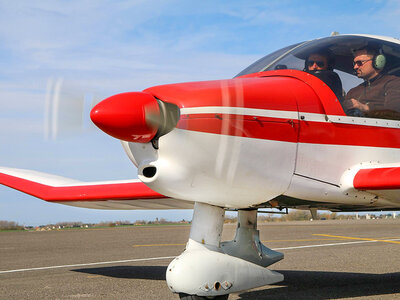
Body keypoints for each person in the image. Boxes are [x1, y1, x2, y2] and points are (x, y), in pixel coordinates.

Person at [343, 47, 400, 117]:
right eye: (354, 63)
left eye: (359, 63)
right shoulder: (353, 92)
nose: (355, 67)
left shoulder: (393, 83)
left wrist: (365, 108)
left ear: (378, 62)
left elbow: (394, 112)